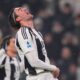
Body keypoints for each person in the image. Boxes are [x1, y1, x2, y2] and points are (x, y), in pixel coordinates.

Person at [9, 6, 60, 80]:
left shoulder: (36, 32)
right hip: (38, 76)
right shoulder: (23, 33)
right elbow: (33, 61)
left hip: (46, 75)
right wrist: (53, 68)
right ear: (18, 19)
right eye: (20, 10)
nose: (25, 9)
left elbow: (25, 60)